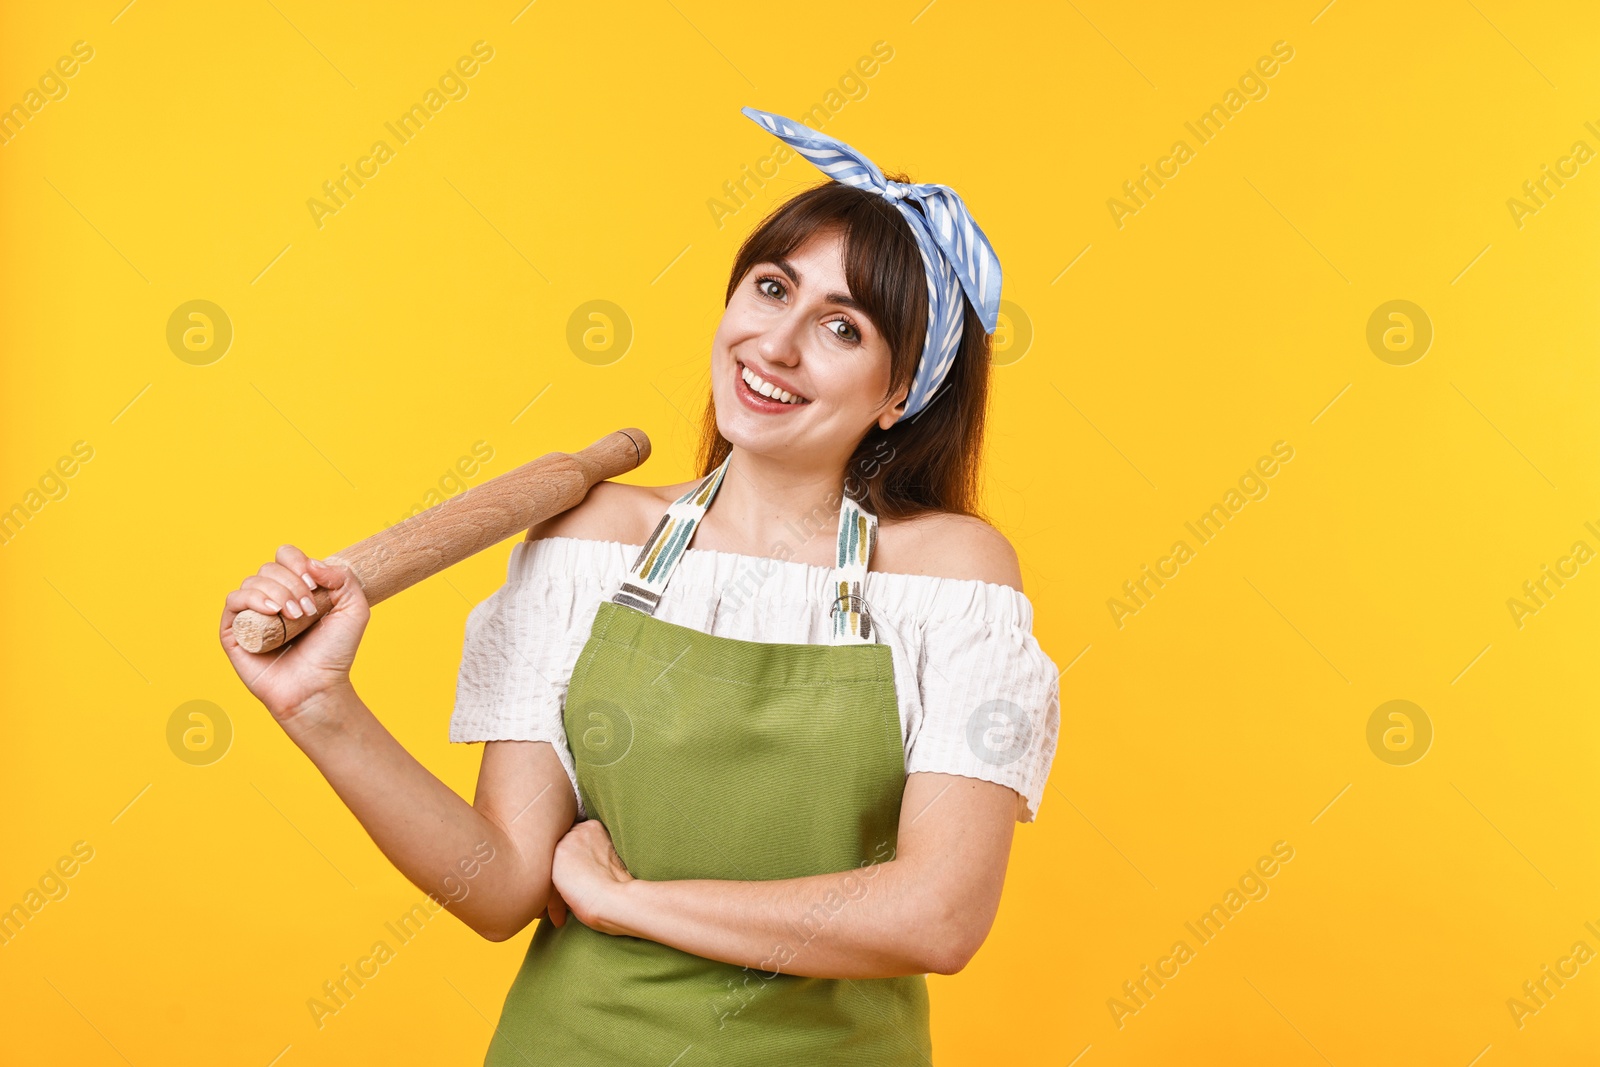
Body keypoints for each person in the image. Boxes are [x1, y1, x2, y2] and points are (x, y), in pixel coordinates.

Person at [219, 106, 1060, 1064]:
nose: (775, 346)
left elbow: (938, 915)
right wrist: (321, 706)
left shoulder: (949, 575)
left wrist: (629, 902)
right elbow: (500, 885)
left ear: (900, 390)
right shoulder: (594, 538)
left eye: (840, 326)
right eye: (770, 288)